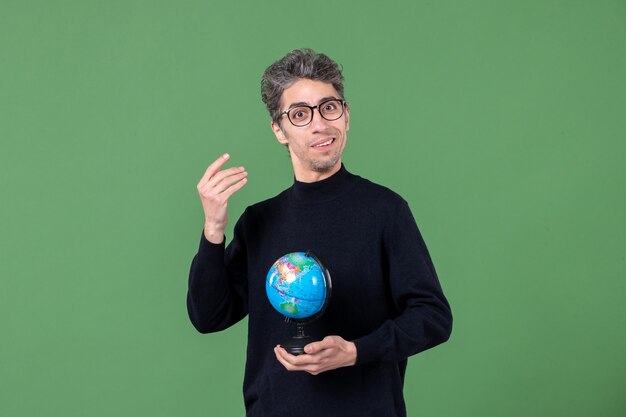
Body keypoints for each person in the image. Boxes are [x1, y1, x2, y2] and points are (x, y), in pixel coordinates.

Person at [187, 48, 452, 417]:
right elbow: (209, 316)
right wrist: (214, 228)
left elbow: (433, 317)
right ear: (279, 130)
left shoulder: (385, 211)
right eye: (300, 114)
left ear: (346, 116)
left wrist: (356, 351)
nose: (320, 124)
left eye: (330, 107)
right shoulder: (259, 221)